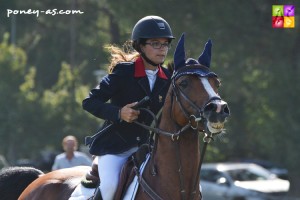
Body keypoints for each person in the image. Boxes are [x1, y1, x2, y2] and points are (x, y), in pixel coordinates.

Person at [82, 15, 175, 200]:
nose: (162, 49)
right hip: (114, 149)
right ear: (140, 46)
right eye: (155, 43)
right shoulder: (124, 71)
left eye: (165, 44)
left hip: (147, 149)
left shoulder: (167, 77)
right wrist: (119, 113)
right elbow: (89, 102)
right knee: (110, 187)